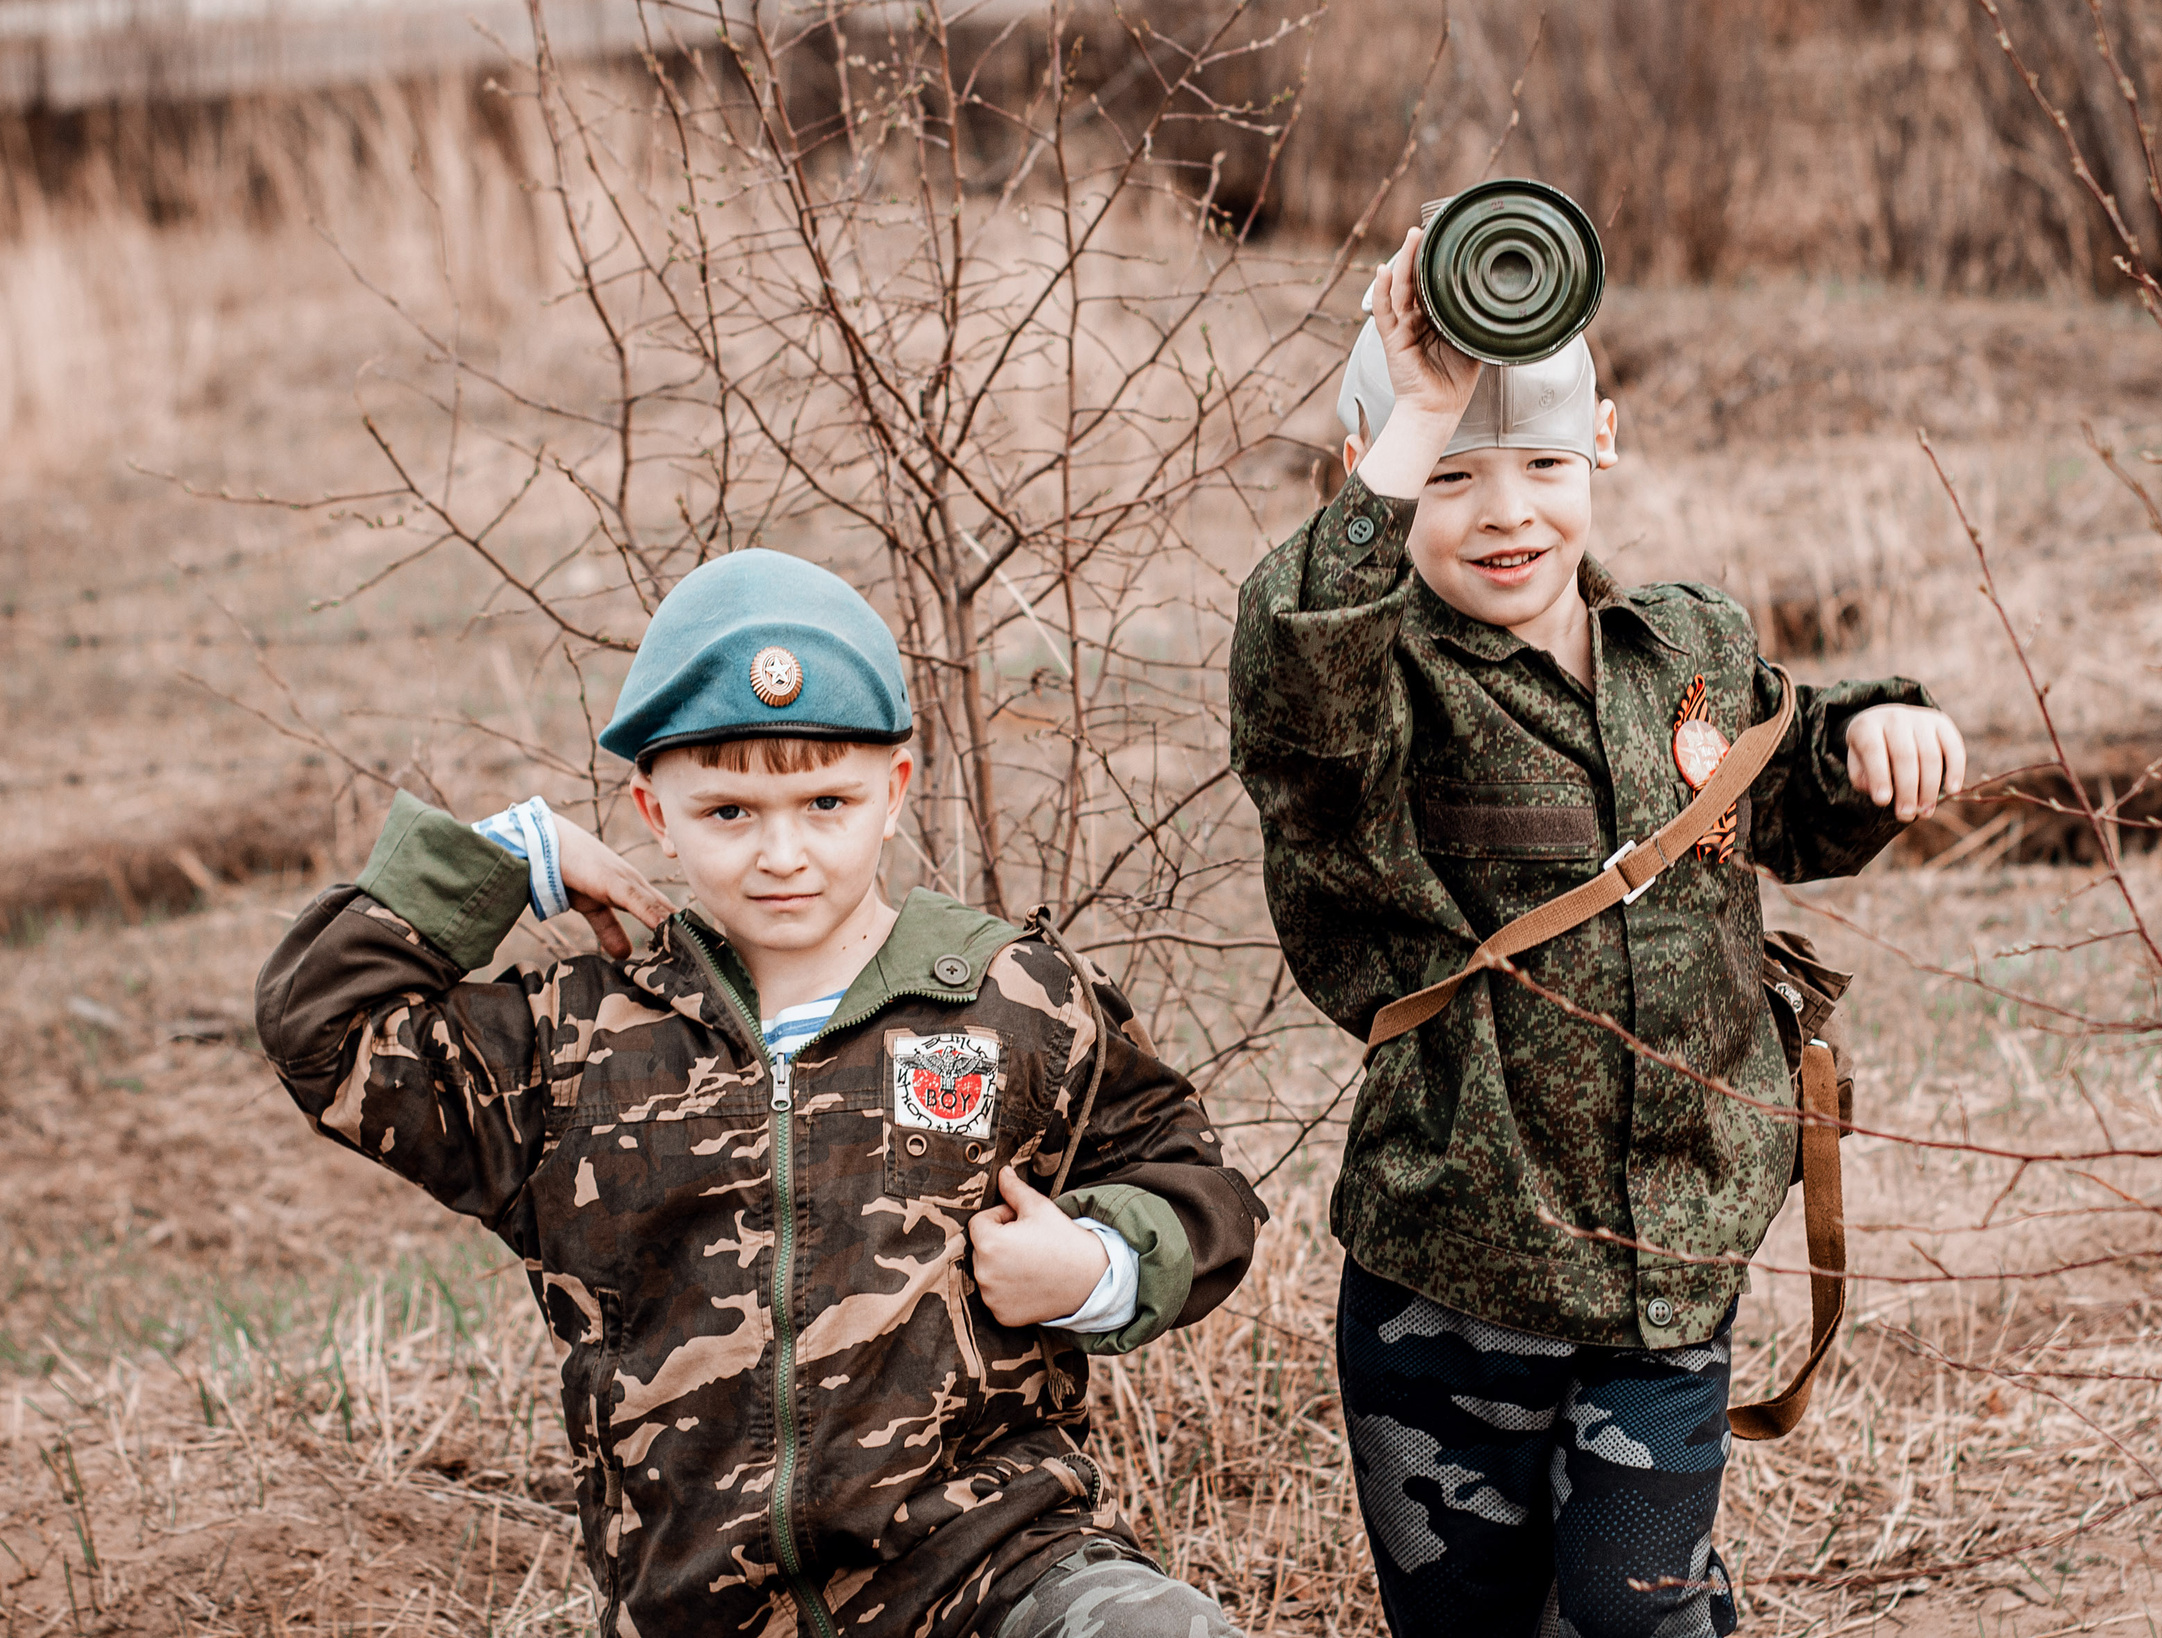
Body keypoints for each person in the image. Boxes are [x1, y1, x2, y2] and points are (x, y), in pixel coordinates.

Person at [258, 549, 1267, 1638]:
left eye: (825, 801)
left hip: (992, 1573)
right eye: (728, 812)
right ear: (653, 809)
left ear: (896, 791)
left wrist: (1097, 1265)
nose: (782, 853)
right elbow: (324, 1032)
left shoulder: (1009, 997)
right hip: (699, 1607)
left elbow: (1196, 1185)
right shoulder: (571, 1040)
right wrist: (508, 861)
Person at [1228, 225, 1967, 1637]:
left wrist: (1876, 730)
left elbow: (1791, 780)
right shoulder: (1382, 687)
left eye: (1542, 466)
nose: (1505, 512)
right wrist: (1413, 413)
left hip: (1665, 1269)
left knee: (1630, 1614)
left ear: (1604, 444)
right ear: (1370, 479)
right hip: (1445, 1282)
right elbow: (1294, 702)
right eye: (1450, 476)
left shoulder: (1683, 645)